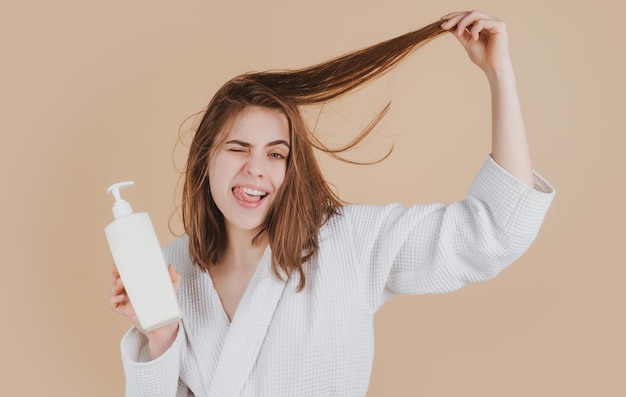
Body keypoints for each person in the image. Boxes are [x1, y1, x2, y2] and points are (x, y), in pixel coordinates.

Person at [110, 10, 555, 396]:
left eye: (276, 153)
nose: (256, 169)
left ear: (292, 167)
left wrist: (500, 77)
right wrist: (161, 333)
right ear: (207, 157)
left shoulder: (349, 242)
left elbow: (496, 230)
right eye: (237, 148)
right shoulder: (172, 268)